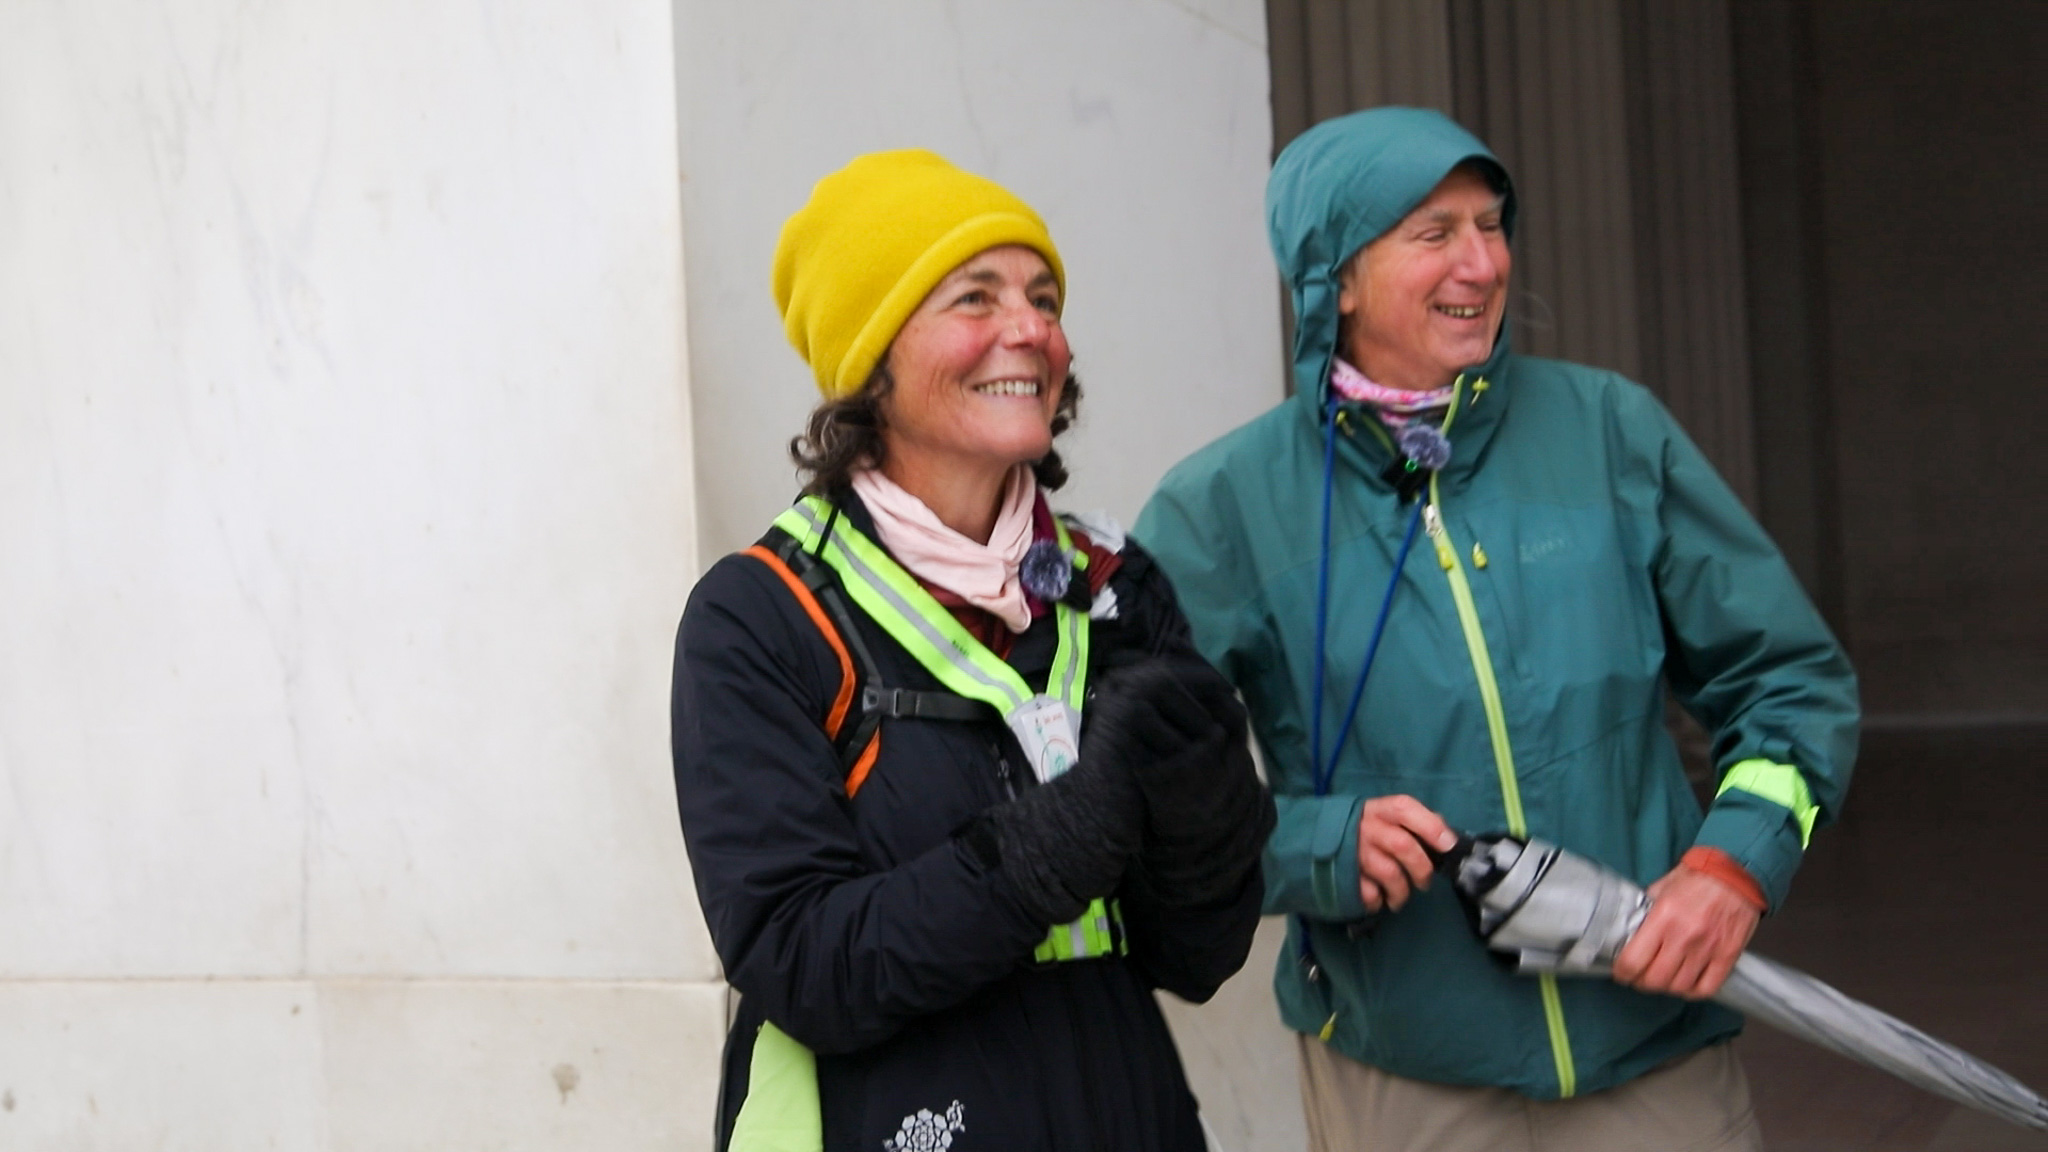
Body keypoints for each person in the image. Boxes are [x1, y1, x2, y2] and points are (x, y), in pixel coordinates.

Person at [1134, 107, 1859, 1151]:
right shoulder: (1223, 509)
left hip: (1650, 1051)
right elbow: (1138, 786)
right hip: (1404, 1072)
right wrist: (1312, 846)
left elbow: (1787, 682)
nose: (1481, 262)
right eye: (1432, 233)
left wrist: (1731, 865)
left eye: (1491, 224)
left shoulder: (1610, 432)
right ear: (1331, 278)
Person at [671, 149, 1272, 1152]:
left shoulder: (1114, 587)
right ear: (873, 360)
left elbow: (1195, 957)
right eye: (974, 297)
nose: (1030, 328)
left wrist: (1212, 816)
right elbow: (800, 964)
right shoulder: (759, 616)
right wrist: (1054, 840)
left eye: (1042, 296)